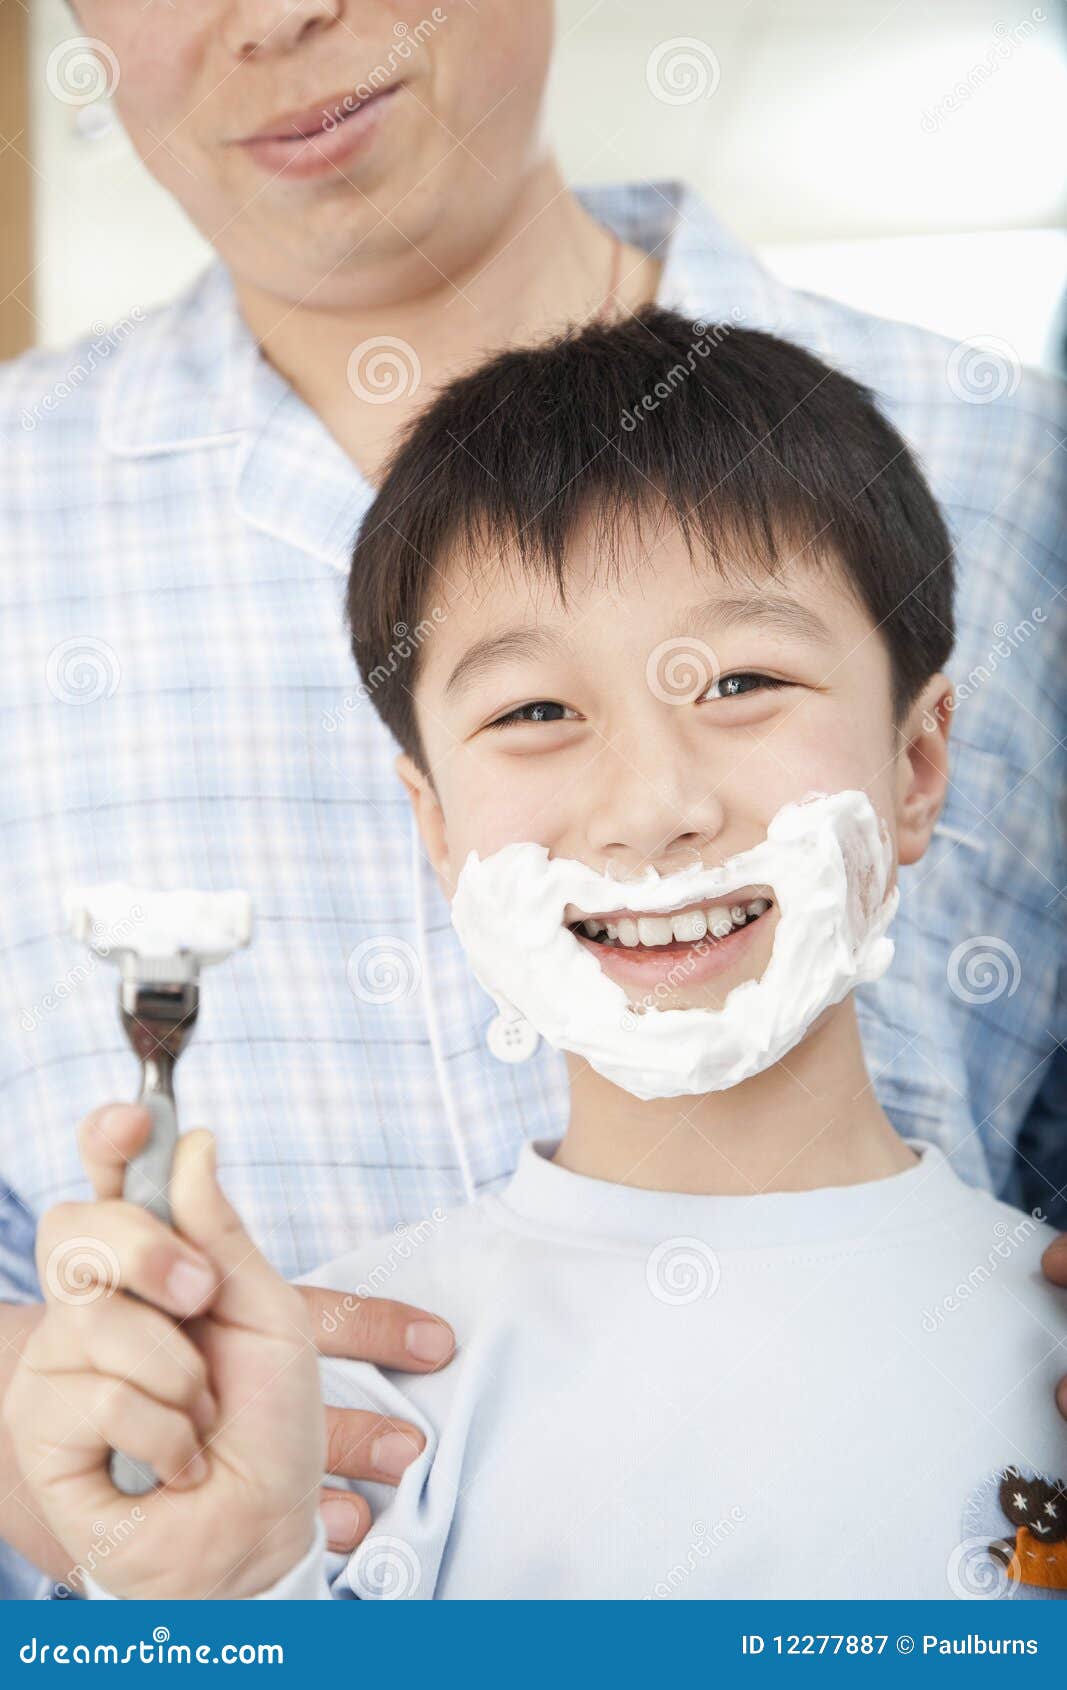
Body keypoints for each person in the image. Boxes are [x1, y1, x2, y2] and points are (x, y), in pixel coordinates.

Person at [2, 0, 1065, 1595]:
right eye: (538, 710)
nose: (283, 10)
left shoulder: (1021, 462)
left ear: (921, 756)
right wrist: (145, 1495)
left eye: (743, 686)